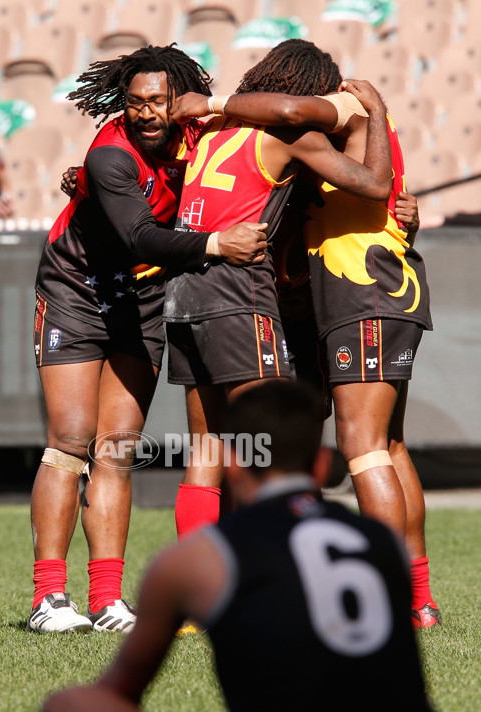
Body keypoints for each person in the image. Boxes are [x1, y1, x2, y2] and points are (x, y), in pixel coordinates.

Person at [0, 379, 447, 712]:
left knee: (70, 711)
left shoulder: (200, 558)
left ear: (231, 465)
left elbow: (117, 698)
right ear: (321, 465)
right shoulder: (381, 545)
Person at [172, 46, 440, 629]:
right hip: (359, 290)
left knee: (353, 445)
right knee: (385, 445)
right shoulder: (274, 140)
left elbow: (323, 137)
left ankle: (390, 595)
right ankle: (414, 598)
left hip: (364, 286)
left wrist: (214, 102)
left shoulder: (332, 110)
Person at [27, 45, 266, 634]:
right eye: (134, 102)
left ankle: (108, 601)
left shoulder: (198, 136)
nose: (146, 112)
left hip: (143, 301)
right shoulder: (110, 156)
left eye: (158, 100)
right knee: (71, 440)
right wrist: (216, 243)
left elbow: (273, 131)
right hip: (75, 291)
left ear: (179, 98)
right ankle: (49, 599)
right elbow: (139, 237)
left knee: (116, 447)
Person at [164, 40, 392, 541]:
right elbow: (376, 186)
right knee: (266, 446)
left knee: (207, 451)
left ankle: (191, 605)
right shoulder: (290, 134)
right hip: (237, 289)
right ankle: (270, 574)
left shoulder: (208, 131)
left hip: (182, 287)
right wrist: (376, 114)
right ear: (310, 90)